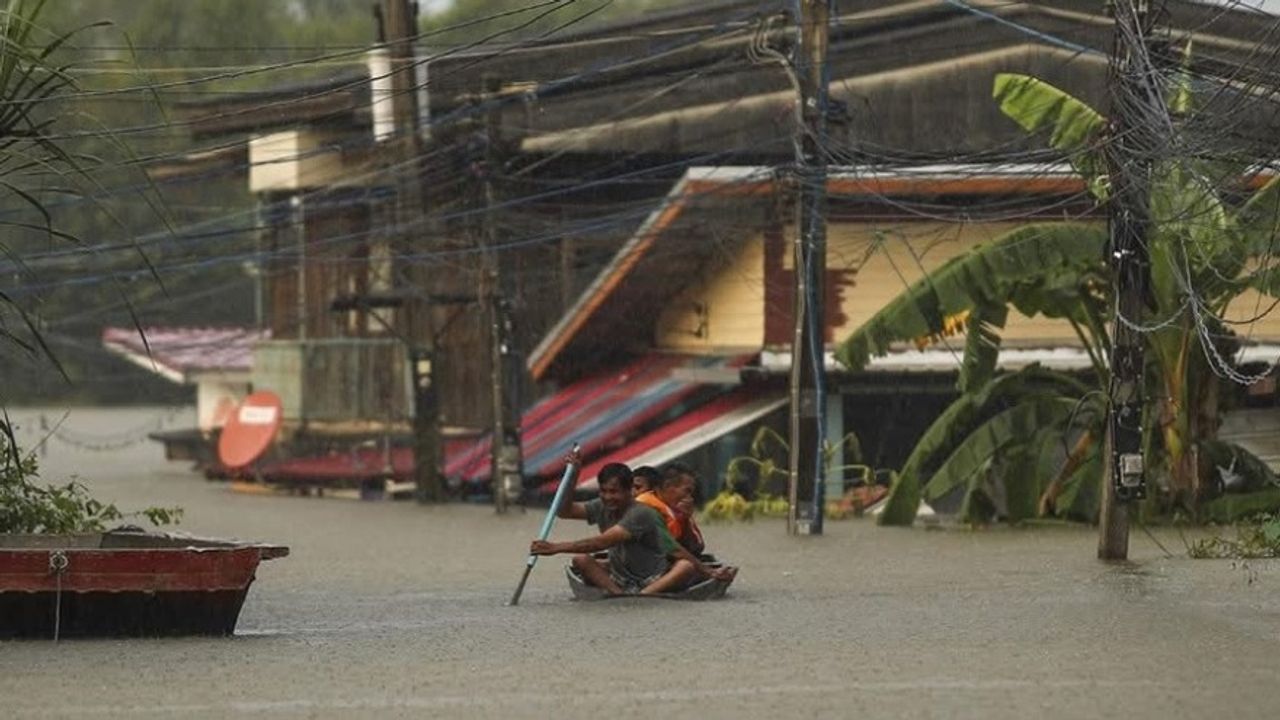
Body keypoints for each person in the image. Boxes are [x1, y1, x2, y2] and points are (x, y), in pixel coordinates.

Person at [530, 459, 731, 595]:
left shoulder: (641, 513)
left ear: (629, 491)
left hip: (653, 579)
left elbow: (603, 541)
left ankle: (645, 596)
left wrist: (556, 548)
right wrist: (573, 475)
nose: (608, 497)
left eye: (614, 492)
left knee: (685, 567)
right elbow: (564, 511)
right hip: (620, 578)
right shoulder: (602, 505)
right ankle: (617, 595)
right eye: (604, 491)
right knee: (580, 560)